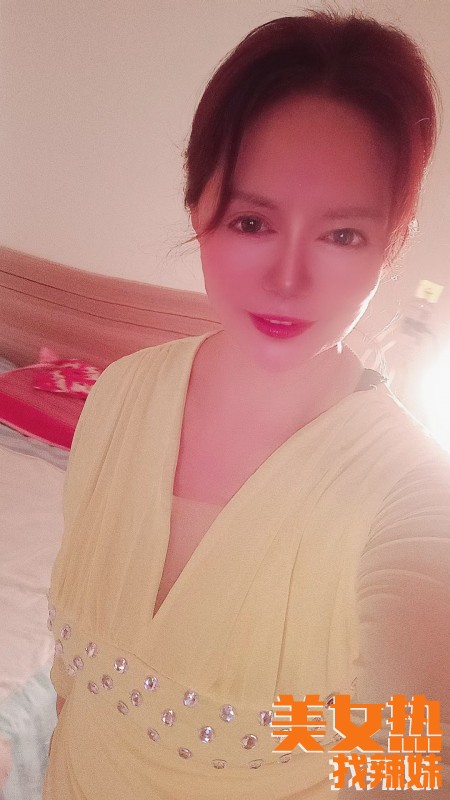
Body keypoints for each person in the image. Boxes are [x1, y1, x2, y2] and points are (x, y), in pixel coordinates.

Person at [44, 10, 450, 799]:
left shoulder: (412, 496)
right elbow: (74, 683)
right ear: (198, 210)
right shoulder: (121, 394)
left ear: (392, 245)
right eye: (253, 221)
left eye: (342, 235)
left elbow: (407, 762)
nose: (287, 280)